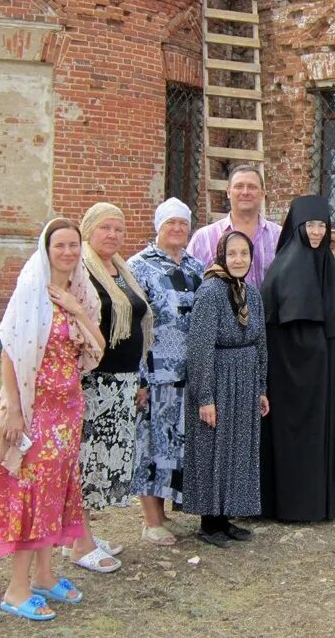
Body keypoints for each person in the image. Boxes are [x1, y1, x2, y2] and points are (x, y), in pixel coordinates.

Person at [0, 218, 104, 621]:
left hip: (68, 411)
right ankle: (17, 588)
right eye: (59, 245)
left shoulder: (78, 292)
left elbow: (99, 349)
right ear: (46, 249)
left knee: (56, 491)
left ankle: (45, 575)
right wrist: (14, 407)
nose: (67, 252)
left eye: (73, 245)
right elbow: (9, 348)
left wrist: (77, 309)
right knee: (29, 494)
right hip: (36, 409)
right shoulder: (31, 292)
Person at [259, 195, 335, 521]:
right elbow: (290, 328)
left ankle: (315, 502)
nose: (316, 232)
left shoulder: (325, 263)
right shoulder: (288, 265)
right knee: (297, 438)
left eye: (321, 226)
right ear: (297, 227)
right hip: (295, 379)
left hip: (321, 373)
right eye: (309, 225)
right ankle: (294, 505)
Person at [67, 203, 153, 572]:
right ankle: (80, 544)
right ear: (88, 231)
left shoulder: (122, 270)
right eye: (106, 228)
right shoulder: (80, 270)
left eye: (119, 229)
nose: (114, 235)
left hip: (123, 380)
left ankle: (80, 535)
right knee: (86, 462)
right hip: (92, 383)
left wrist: (139, 377)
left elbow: (139, 322)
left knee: (103, 462)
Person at [128, 198, 206, 544]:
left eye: (182, 223)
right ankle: (150, 519)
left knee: (175, 442)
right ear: (158, 226)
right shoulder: (138, 266)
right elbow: (132, 327)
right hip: (155, 370)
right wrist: (140, 378)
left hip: (189, 372)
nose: (177, 229)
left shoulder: (195, 266)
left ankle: (165, 513)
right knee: (151, 441)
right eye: (170, 223)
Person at [183, 230, 269, 546]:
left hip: (245, 377)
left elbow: (260, 342)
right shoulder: (210, 292)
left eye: (244, 254)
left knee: (236, 446)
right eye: (232, 253)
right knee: (212, 446)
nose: (238, 260)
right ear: (221, 255)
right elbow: (200, 346)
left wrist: (260, 386)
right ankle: (209, 522)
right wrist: (204, 396)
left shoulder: (253, 294)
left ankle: (226, 516)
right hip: (217, 375)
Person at [186, 164, 281, 287]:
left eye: (252, 187)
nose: (245, 192)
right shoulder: (204, 238)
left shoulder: (279, 236)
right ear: (228, 192)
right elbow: (189, 285)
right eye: (239, 186)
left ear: (262, 194)